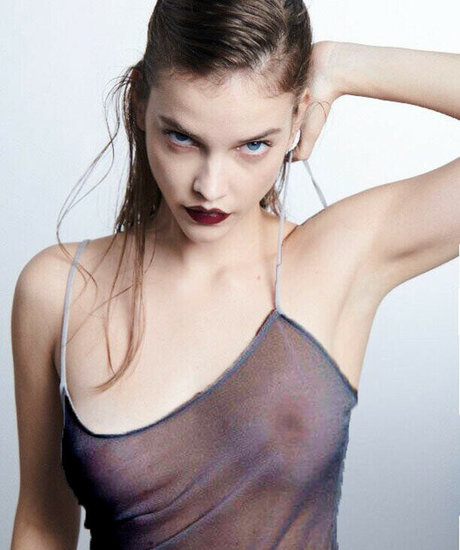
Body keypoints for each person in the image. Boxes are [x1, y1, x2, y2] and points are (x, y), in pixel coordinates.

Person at [10, 1, 459, 548]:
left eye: (253, 145)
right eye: (181, 138)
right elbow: (41, 523)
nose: (210, 186)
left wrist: (345, 66)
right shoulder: (58, 290)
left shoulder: (335, 261)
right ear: (140, 103)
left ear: (298, 120)